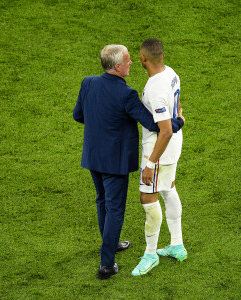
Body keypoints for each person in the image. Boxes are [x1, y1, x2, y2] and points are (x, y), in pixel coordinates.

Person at [73, 44, 184, 280]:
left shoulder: (88, 82)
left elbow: (78, 115)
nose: (131, 62)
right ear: (117, 66)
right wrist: (178, 122)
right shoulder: (127, 94)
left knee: (102, 200)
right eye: (127, 60)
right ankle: (106, 264)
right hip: (115, 161)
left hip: (93, 155)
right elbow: (155, 124)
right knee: (114, 208)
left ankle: (110, 244)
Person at [131, 38, 187, 276]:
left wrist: (150, 163)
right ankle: (176, 244)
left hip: (159, 149)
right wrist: (179, 120)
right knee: (168, 188)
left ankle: (150, 254)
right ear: (162, 56)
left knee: (148, 198)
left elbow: (164, 130)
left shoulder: (155, 89)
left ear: (144, 59)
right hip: (174, 144)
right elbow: (178, 107)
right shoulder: (171, 73)